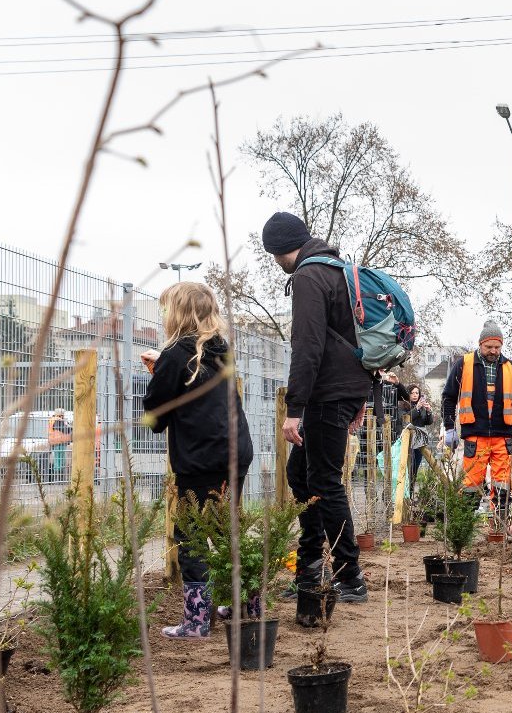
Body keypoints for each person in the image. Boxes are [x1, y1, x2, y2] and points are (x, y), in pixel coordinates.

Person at [264, 210, 372, 605]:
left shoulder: (309, 276)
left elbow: (307, 347)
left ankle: (350, 577)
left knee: (324, 482)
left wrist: (295, 409)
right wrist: (360, 396)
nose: (276, 264)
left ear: (278, 250)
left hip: (326, 395)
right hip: (343, 391)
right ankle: (310, 568)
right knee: (300, 474)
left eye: (274, 256)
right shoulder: (338, 270)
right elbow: (358, 340)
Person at [140, 281, 255, 639]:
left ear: (177, 314)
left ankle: (196, 619)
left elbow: (156, 416)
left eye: (164, 310)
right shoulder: (221, 350)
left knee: (189, 533)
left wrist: (158, 375)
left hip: (201, 457)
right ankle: (245, 605)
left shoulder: (175, 355)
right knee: (225, 530)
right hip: (236, 451)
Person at [441, 320, 512, 514]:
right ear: (480, 344)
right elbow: (449, 396)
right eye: (489, 346)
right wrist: (449, 427)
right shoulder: (463, 364)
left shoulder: (511, 368)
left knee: (503, 485)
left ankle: (499, 526)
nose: (494, 351)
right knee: (471, 483)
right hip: (475, 435)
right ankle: (466, 527)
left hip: (502, 436)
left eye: (497, 347)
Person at [402, 383, 435, 490]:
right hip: (408, 440)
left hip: (419, 441)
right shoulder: (403, 405)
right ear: (408, 394)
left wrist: (429, 411)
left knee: (415, 468)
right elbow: (406, 418)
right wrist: (416, 408)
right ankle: (404, 493)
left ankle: (410, 494)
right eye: (412, 393)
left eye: (417, 393)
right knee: (406, 467)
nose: (415, 395)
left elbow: (427, 422)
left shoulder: (422, 407)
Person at [48, 410, 72, 478]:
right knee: (60, 460)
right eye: (63, 414)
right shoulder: (58, 420)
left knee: (58, 459)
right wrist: (71, 428)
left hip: (55, 441)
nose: (64, 415)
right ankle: (58, 478)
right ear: (61, 414)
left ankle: (57, 477)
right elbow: (64, 430)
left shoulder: (52, 420)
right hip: (59, 441)